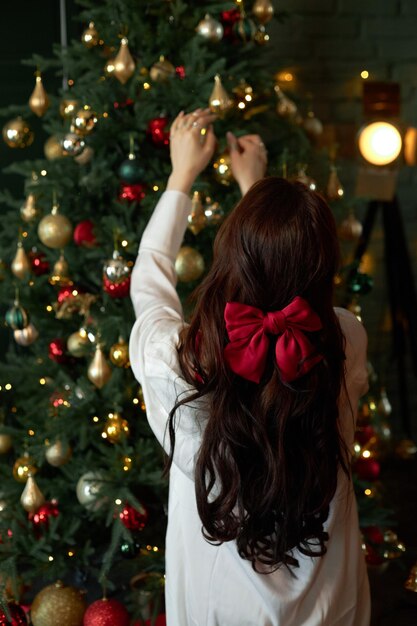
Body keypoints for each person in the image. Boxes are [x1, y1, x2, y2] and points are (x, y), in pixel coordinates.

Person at [129, 108, 371, 626]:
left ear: (229, 256)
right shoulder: (345, 338)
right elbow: (281, 279)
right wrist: (257, 189)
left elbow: (149, 282)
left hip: (217, 610)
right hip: (329, 605)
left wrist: (181, 177)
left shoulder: (180, 358)